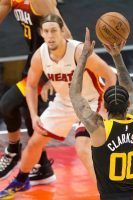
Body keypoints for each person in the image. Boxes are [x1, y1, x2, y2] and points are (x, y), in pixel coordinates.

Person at [0, 14, 116, 199]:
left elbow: (110, 75)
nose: (50, 35)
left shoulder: (79, 51)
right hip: (64, 102)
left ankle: (108, 193)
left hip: (92, 101)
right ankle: (21, 181)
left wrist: (106, 108)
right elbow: (30, 85)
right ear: (41, 33)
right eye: (46, 31)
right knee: (35, 141)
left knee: (82, 146)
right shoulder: (40, 55)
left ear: (62, 32)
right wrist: (34, 115)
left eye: (54, 30)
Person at [0, 0, 72, 184]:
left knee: (7, 104)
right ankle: (42, 167)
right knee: (29, 113)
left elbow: (67, 36)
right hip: (34, 59)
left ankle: (13, 151)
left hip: (49, 63)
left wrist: (54, 75)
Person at [69, 29, 133, 200]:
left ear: (105, 107)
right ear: (128, 106)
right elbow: (130, 89)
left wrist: (83, 58)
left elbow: (75, 94)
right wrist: (117, 56)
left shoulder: (99, 129)